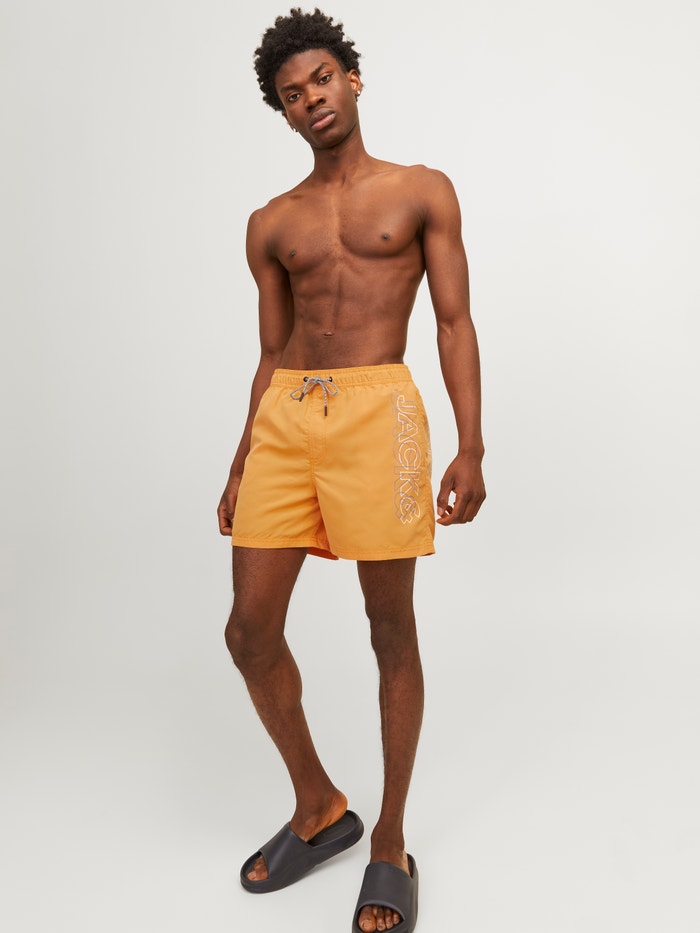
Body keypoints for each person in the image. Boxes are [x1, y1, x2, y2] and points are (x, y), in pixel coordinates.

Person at [217, 9, 485, 932]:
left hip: (381, 410)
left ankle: (390, 841)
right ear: (284, 113)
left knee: (388, 625)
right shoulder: (270, 222)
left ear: (354, 79)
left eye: (322, 78)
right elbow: (271, 349)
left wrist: (471, 444)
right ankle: (320, 805)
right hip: (288, 413)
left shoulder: (422, 190)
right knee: (249, 630)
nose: (312, 99)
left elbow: (453, 321)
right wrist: (242, 456)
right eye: (293, 94)